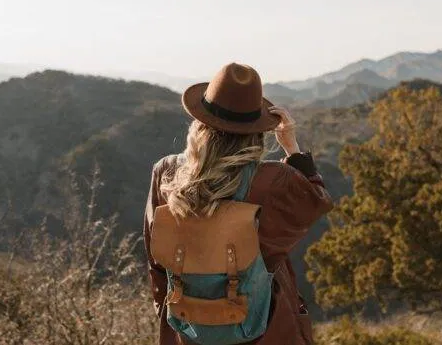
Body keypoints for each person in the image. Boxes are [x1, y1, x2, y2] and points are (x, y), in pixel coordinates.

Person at [143, 62, 334, 345]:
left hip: (186, 328)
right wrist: (292, 148)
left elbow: (156, 257)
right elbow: (316, 201)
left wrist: (171, 316)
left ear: (200, 124)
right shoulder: (274, 181)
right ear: (257, 130)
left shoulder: (167, 173)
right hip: (264, 329)